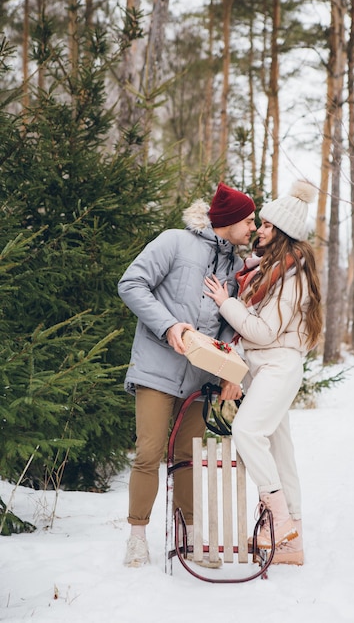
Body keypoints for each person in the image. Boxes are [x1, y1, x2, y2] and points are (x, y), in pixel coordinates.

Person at [118, 182, 256, 568]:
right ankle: (137, 537)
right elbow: (130, 284)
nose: (252, 227)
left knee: (189, 457)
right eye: (247, 220)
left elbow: (228, 324)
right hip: (157, 370)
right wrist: (169, 326)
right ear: (227, 220)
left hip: (200, 378)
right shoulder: (175, 242)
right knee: (148, 453)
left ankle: (192, 536)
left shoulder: (233, 267)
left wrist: (230, 369)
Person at [205, 180, 323, 566]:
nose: (259, 230)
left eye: (268, 226)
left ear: (283, 235)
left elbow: (263, 330)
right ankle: (292, 543)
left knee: (247, 432)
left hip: (277, 364)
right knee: (279, 448)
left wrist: (226, 303)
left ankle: (279, 519)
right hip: (263, 366)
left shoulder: (293, 277)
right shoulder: (267, 270)